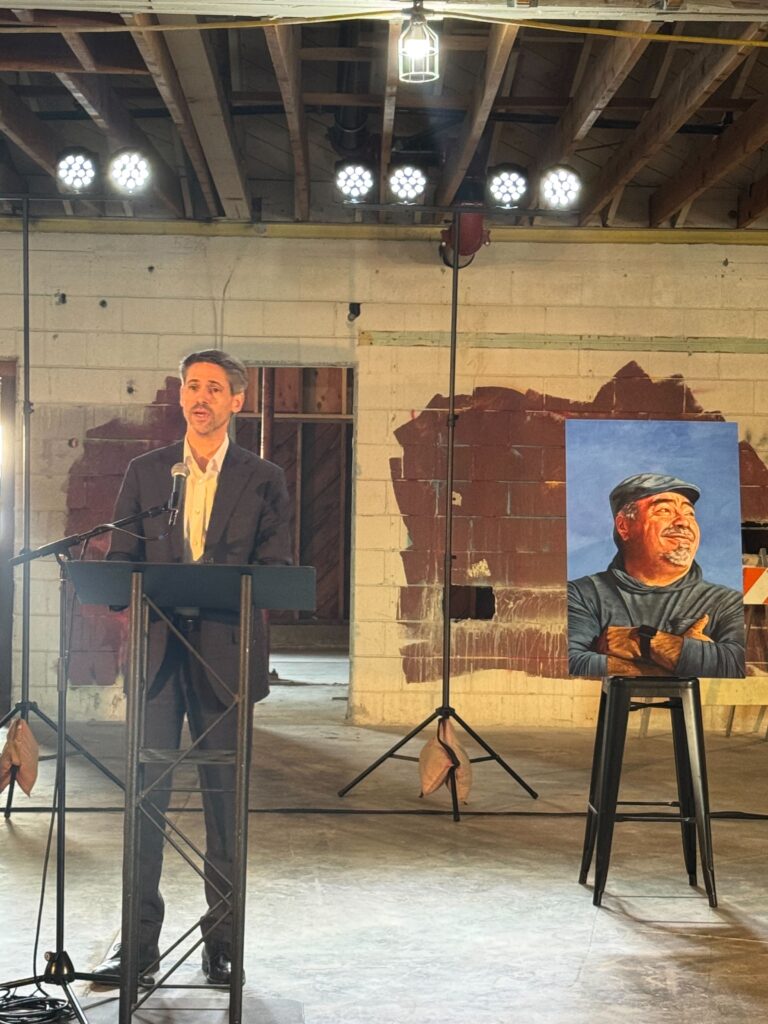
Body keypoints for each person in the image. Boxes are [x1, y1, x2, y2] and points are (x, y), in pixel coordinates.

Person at [92, 350, 291, 987]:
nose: (200, 397)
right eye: (191, 386)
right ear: (181, 397)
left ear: (237, 400)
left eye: (213, 388)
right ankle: (138, 946)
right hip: (157, 657)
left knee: (224, 806)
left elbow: (277, 569)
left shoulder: (264, 478)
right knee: (144, 803)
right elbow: (122, 559)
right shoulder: (148, 471)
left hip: (225, 658)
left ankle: (222, 945)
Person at [567, 472, 745, 679]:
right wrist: (687, 657)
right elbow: (572, 662)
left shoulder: (726, 602)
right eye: (664, 510)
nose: (684, 522)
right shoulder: (582, 594)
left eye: (689, 513)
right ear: (624, 526)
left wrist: (642, 640)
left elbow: (738, 664)